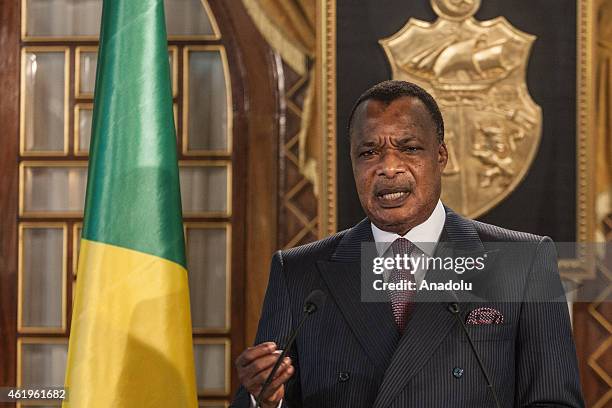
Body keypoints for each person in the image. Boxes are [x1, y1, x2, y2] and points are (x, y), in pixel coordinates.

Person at [231, 80, 584, 407]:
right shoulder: (297, 272)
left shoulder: (522, 261)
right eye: (368, 153)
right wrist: (264, 400)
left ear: (441, 156)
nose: (388, 167)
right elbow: (269, 393)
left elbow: (554, 400)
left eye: (409, 148)